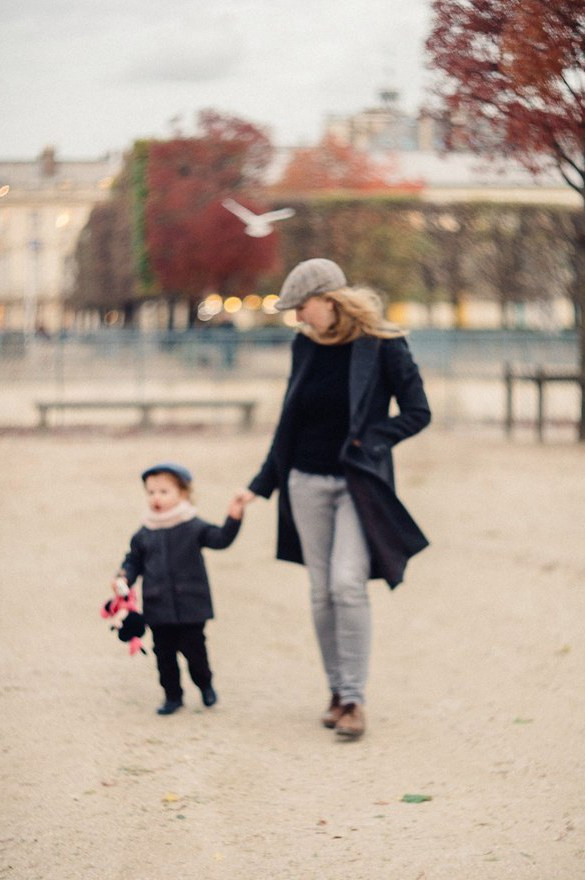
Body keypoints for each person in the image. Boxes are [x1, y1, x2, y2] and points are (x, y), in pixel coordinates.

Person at [238, 258, 431, 739]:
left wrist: (373, 440)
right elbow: (290, 420)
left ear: (331, 300)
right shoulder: (303, 346)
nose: (298, 317)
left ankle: (354, 698)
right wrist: (260, 484)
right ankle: (335, 693)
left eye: (302, 307)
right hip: (304, 481)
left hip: (357, 483)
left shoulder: (385, 345)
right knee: (321, 591)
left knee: (347, 584)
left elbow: (417, 412)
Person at [113, 461, 245, 716]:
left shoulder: (193, 525)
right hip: (157, 607)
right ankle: (172, 696)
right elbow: (133, 562)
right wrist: (123, 578)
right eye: (151, 492)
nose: (156, 498)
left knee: (195, 652)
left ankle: (205, 684)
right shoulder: (144, 533)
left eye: (164, 492)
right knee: (164, 656)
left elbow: (220, 539)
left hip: (190, 606)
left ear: (182, 493)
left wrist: (234, 517)